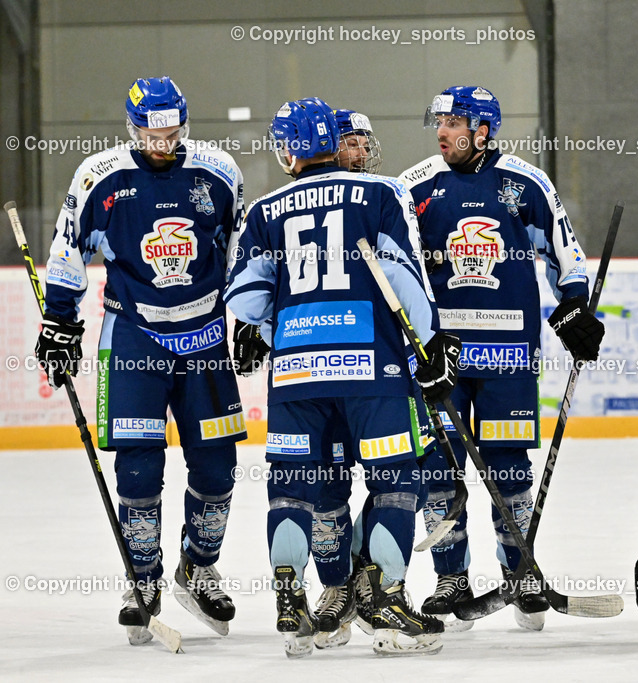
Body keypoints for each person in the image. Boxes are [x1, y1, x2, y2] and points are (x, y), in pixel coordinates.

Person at [225, 97, 459, 657]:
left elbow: (247, 298)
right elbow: (404, 276)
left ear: (287, 149)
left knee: (294, 488)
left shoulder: (264, 210)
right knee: (395, 483)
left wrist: (281, 314)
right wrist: (429, 348)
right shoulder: (381, 193)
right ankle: (387, 602)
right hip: (371, 371)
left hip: (297, 375)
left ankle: (290, 596)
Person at [36, 76, 245, 645]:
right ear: (132, 127)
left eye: (171, 131)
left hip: (204, 337)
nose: (162, 142)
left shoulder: (220, 173)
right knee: (138, 466)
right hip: (133, 337)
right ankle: (143, 579)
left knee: (218, 465)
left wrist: (250, 318)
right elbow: (66, 247)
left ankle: (198, 566)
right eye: (151, 132)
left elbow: (242, 254)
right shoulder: (98, 177)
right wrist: (60, 320)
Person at [399, 85, 604, 632]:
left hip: (509, 355)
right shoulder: (414, 187)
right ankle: (450, 579)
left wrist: (574, 309)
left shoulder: (526, 183)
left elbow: (567, 256)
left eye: (453, 123)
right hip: (440, 357)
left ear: (483, 129)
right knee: (439, 469)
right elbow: (396, 271)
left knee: (509, 469)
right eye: (438, 121)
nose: (442, 132)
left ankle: (520, 571)